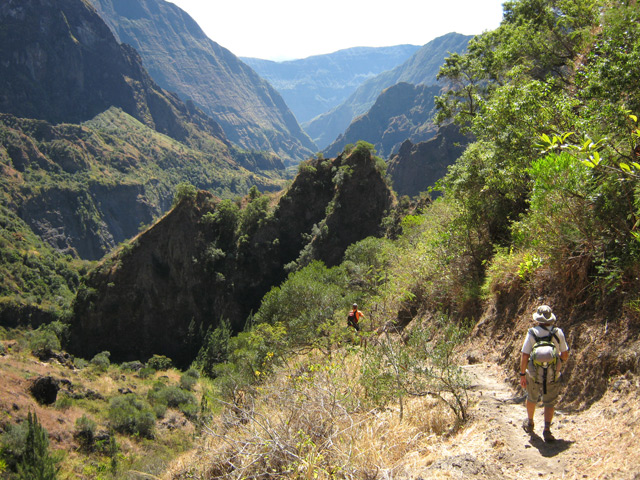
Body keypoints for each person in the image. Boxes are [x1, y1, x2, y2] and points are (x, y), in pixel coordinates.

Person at [519, 304, 569, 442]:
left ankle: (530, 423)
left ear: (538, 319)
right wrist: (558, 363)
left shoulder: (532, 333)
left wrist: (522, 374)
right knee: (550, 402)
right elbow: (565, 354)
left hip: (534, 374)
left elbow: (524, 355)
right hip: (553, 374)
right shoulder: (558, 332)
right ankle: (547, 430)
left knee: (531, 397)